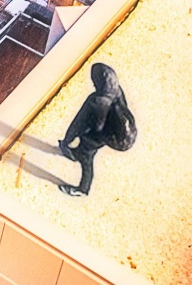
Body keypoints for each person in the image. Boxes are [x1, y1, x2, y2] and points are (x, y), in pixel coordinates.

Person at [55, 63, 136, 196]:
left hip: (100, 135)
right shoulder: (117, 90)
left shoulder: (96, 101)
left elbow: (78, 124)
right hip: (113, 134)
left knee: (86, 157)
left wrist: (67, 141)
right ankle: (75, 154)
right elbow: (123, 107)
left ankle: (83, 189)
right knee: (87, 151)